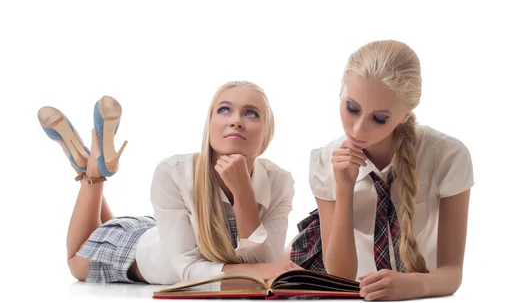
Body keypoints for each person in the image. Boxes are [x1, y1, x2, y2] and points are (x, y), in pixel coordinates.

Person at [38, 80, 300, 285]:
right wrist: (263, 270)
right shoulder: (174, 171)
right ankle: (93, 173)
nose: (236, 121)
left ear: (266, 133)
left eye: (251, 113)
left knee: (104, 228)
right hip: (132, 251)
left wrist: (243, 194)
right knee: (75, 263)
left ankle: (91, 160)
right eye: (224, 110)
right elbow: (188, 271)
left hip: (160, 231)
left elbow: (264, 264)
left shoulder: (280, 182)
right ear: (209, 125)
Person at [287, 40, 474, 301]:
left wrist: (417, 285)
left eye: (379, 118)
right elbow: (339, 278)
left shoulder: (448, 157)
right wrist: (344, 186)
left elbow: (452, 273)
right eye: (351, 108)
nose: (357, 129)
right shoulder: (324, 161)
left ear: (405, 115)